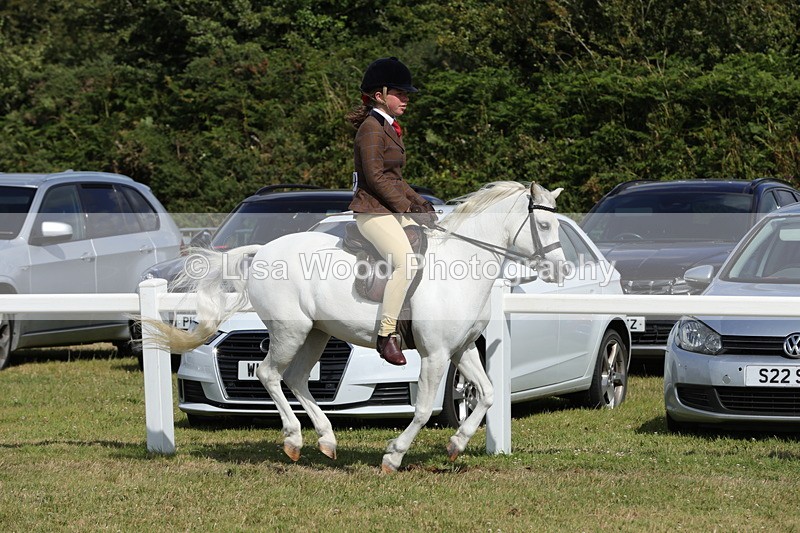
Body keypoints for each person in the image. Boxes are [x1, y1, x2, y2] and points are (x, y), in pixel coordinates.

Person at [346, 57, 437, 366]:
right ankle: (387, 335)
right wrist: (407, 207)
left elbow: (396, 179)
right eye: (399, 93)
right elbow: (375, 178)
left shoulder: (389, 128)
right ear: (380, 95)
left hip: (388, 210)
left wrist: (421, 203)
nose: (406, 99)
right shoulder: (371, 129)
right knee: (406, 263)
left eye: (406, 93)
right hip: (372, 213)